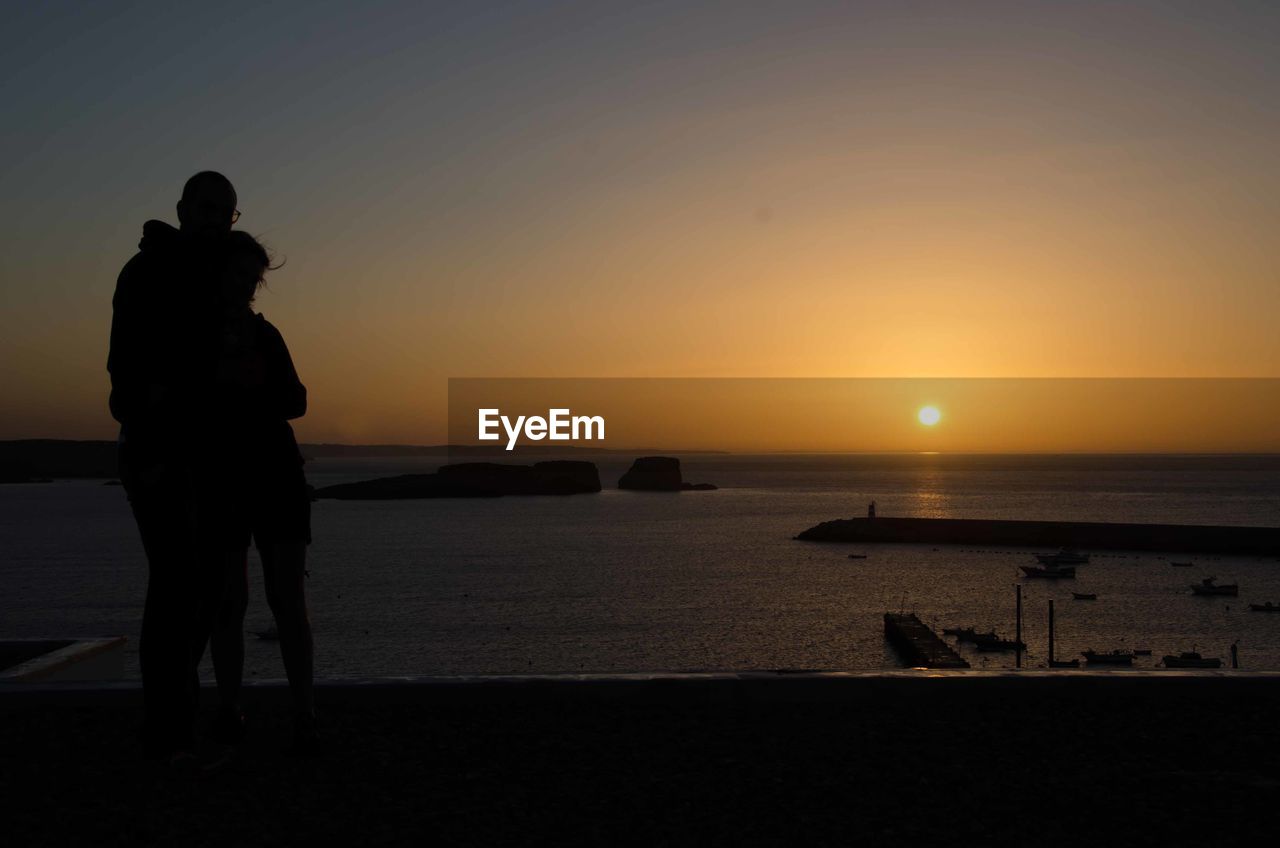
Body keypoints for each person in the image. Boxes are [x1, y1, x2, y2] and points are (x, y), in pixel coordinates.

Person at [108, 171, 242, 762]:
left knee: (207, 586)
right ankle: (166, 723)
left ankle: (174, 708)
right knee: (175, 586)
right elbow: (128, 373)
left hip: (207, 454)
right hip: (160, 451)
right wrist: (155, 444)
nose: (216, 218)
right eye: (209, 207)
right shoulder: (147, 273)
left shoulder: (217, 276)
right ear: (185, 208)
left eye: (227, 212)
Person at [203, 231, 318, 753]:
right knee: (230, 601)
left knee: (287, 600)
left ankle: (304, 712)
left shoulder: (267, 336)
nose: (246, 287)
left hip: (277, 475)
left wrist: (260, 381)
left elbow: (296, 399)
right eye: (239, 276)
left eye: (253, 280)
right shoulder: (192, 334)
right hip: (223, 478)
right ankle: (229, 710)